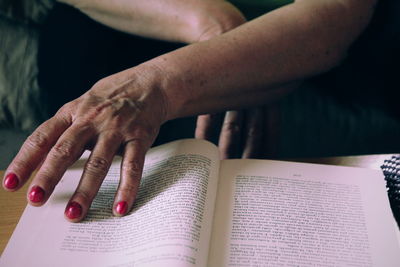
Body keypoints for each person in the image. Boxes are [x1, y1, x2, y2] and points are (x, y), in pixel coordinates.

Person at [2, 0, 378, 222]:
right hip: (82, 52)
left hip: (300, 66)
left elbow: (337, 16)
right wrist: (209, 21)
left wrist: (160, 84)